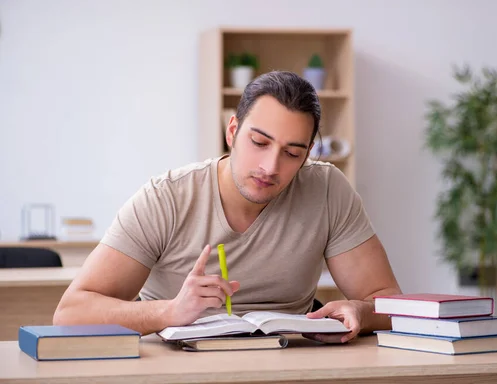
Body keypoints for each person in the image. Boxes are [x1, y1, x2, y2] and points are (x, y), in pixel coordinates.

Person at [54, 71, 402, 343]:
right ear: (232, 131)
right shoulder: (167, 198)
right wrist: (171, 311)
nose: (270, 166)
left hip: (288, 367)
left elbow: (390, 303)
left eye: (292, 153)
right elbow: (71, 313)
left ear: (308, 153)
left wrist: (361, 310)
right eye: (259, 142)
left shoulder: (327, 189)